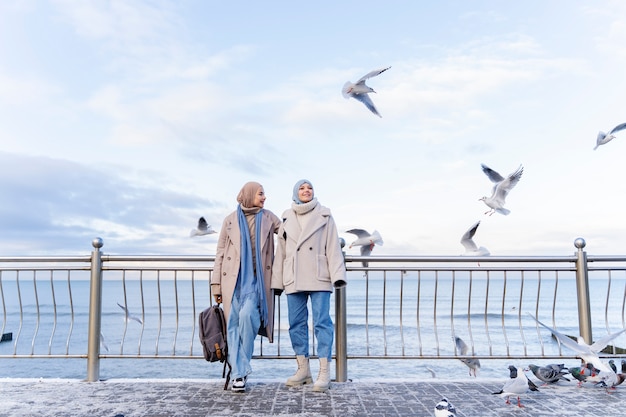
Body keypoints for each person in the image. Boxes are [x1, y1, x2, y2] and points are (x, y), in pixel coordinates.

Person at [271, 179, 347, 392]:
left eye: (309, 188)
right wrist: (277, 281)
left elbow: (333, 246)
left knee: (322, 322)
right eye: (302, 188)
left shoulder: (325, 215)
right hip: (293, 276)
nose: (306, 191)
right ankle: (303, 370)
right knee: (296, 323)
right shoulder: (286, 217)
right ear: (296, 192)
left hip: (319, 274)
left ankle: (324, 372)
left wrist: (337, 275)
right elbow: (282, 253)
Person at [211, 181, 281, 392]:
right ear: (250, 195)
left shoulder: (269, 217)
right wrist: (216, 285)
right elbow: (220, 253)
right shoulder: (230, 220)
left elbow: (289, 233)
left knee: (247, 318)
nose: (264, 197)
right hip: (231, 281)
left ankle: (238, 369)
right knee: (232, 324)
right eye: (261, 194)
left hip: (256, 282)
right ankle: (238, 375)